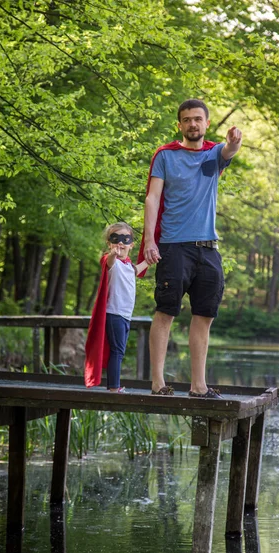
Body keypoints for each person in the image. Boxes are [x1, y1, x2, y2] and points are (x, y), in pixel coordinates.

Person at [137, 98, 242, 398]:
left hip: (208, 249)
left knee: (204, 315)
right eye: (187, 119)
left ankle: (199, 386)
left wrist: (234, 141)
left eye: (198, 119)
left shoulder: (212, 155)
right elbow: (152, 199)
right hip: (173, 246)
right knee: (166, 311)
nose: (193, 124)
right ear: (180, 124)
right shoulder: (165, 156)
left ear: (207, 123)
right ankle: (158, 383)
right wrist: (148, 242)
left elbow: (229, 150)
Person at [84, 223, 148, 392]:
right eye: (116, 239)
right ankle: (113, 388)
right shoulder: (110, 261)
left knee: (119, 351)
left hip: (125, 315)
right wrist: (113, 253)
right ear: (109, 243)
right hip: (114, 313)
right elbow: (109, 260)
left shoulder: (128, 266)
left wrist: (153, 254)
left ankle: (114, 386)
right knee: (117, 351)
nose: (121, 243)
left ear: (131, 244)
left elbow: (144, 264)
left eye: (125, 239)